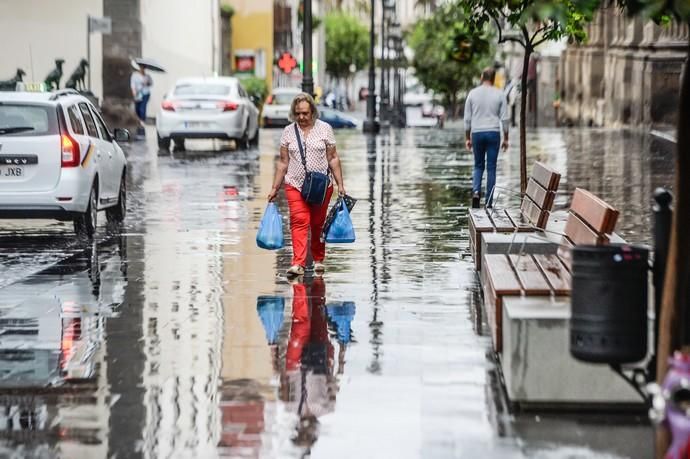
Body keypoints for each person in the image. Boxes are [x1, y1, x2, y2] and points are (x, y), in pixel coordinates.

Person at [267, 93, 346, 277]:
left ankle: (318, 258)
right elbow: (283, 162)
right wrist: (274, 187)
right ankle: (298, 263)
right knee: (299, 221)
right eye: (298, 114)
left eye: (305, 113)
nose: (301, 117)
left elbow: (333, 158)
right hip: (295, 184)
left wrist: (340, 183)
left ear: (313, 112)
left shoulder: (325, 129)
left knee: (318, 223)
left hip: (320, 186)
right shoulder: (288, 132)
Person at [464, 67, 509, 209]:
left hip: (477, 133)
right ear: (494, 78)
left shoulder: (472, 94)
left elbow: (467, 119)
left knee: (478, 165)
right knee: (491, 168)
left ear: (482, 77)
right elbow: (505, 119)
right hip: (493, 133)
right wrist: (506, 138)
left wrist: (467, 138)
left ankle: (476, 191)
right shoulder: (500, 94)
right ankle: (488, 202)